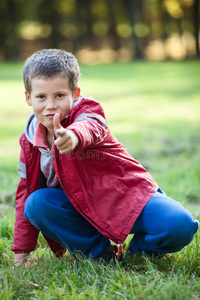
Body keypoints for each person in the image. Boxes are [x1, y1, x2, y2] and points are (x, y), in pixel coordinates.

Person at [12, 49, 199, 266]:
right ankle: (101, 256)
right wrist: (21, 256)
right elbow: (24, 195)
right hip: (79, 205)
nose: (51, 105)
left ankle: (137, 255)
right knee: (36, 203)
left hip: (125, 195)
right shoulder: (28, 142)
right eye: (41, 97)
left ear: (75, 93)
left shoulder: (89, 110)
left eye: (60, 96)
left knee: (180, 225)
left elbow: (90, 126)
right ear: (28, 98)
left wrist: (72, 136)